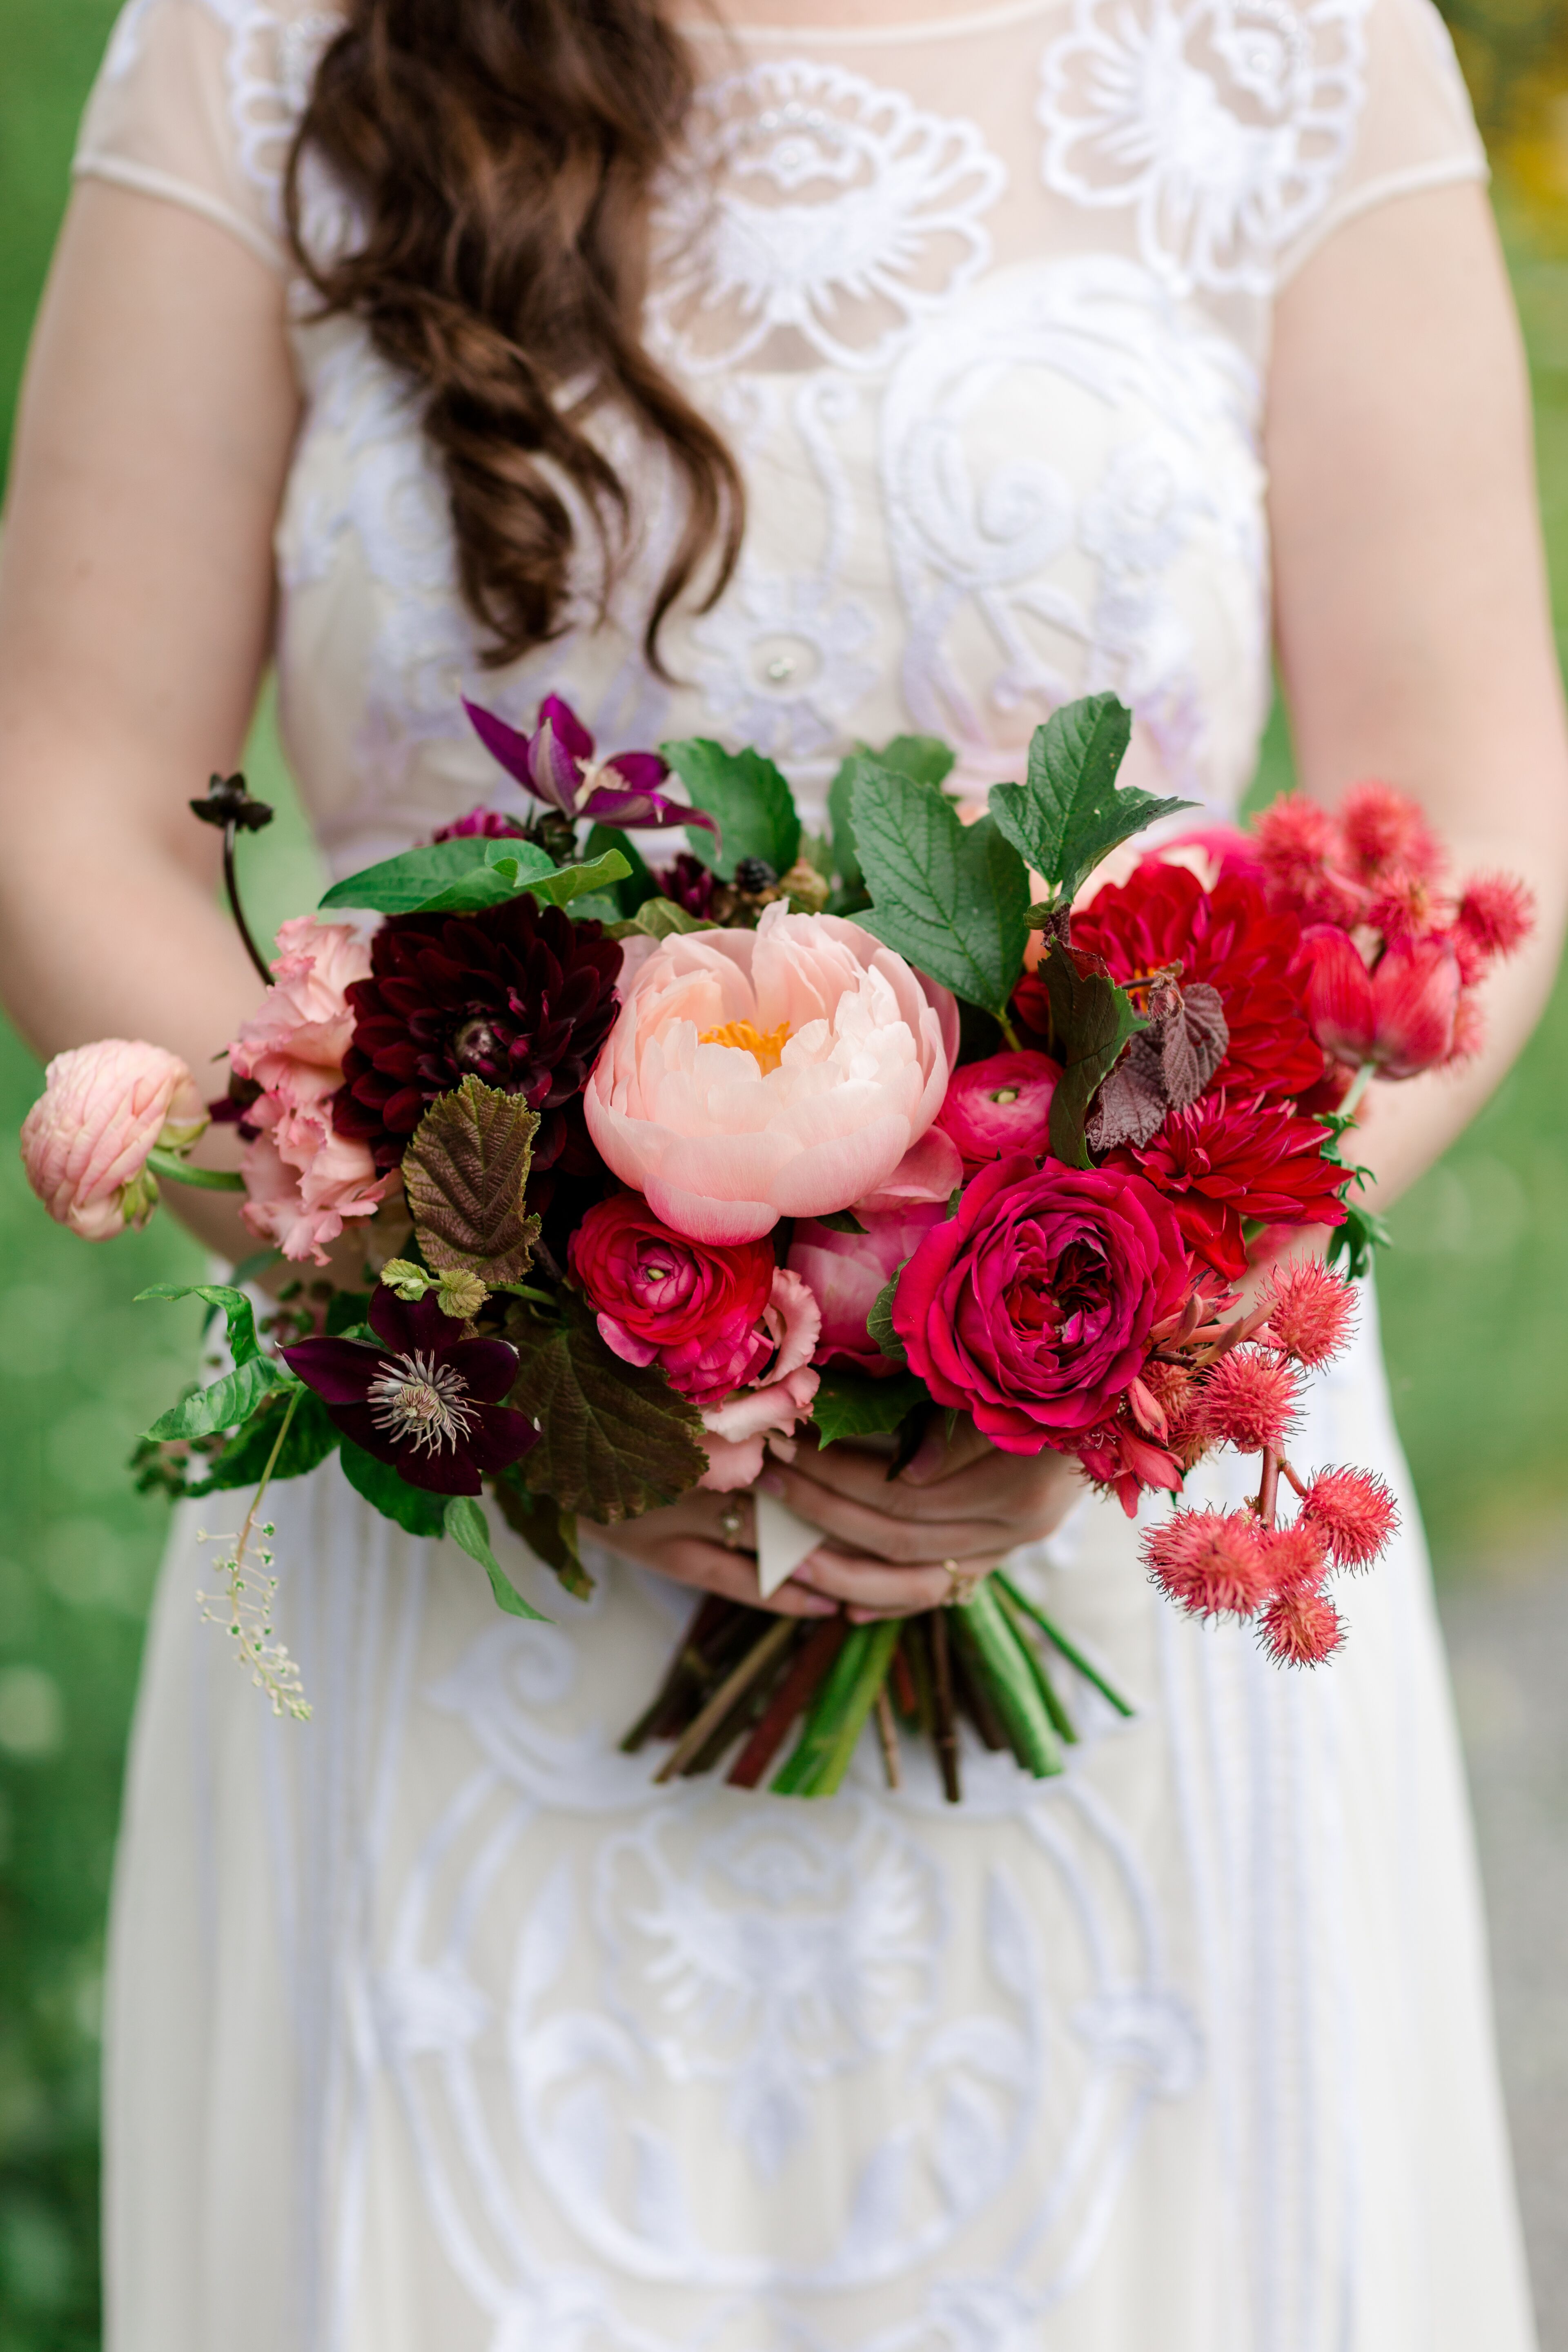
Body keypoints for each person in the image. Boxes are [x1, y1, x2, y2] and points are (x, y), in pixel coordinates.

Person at [0, 0, 1563, 2343]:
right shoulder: (256, 44)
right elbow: (69, 786)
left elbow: (1450, 827)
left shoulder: (1302, 51)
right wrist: (484, 1318)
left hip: (1117, 1525)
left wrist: (1129, 1315)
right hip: (462, 1532)